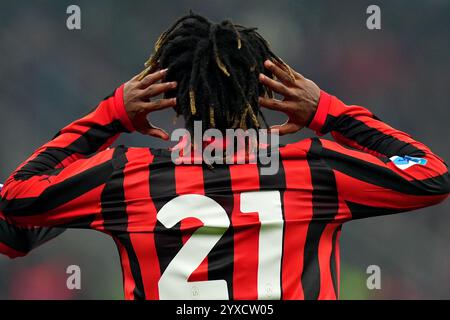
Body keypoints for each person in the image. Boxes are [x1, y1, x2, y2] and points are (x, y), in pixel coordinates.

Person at [0, 13, 448, 300]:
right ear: (261, 95)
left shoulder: (122, 181)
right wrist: (326, 111)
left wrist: (111, 115)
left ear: (168, 101)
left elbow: (14, 205)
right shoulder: (313, 171)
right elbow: (430, 175)